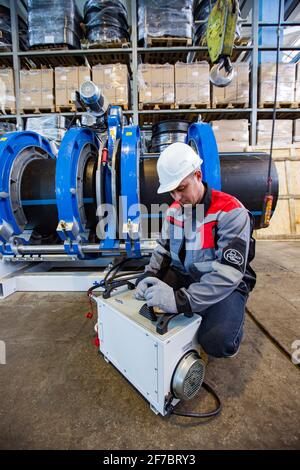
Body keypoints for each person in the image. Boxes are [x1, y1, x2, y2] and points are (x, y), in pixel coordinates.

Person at [135, 142, 256, 358]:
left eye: (182, 188)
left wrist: (181, 300)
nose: (177, 198)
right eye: (171, 192)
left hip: (225, 283)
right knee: (147, 305)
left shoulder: (231, 212)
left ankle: (231, 312)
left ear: (198, 175)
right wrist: (148, 275)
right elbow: (163, 250)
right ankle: (196, 304)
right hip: (186, 275)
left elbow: (228, 275)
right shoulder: (173, 211)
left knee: (217, 342)